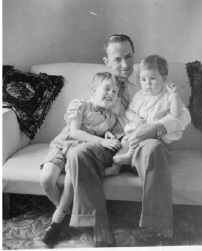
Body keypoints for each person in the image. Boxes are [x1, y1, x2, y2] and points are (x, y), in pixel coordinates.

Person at [43, 34, 191, 247]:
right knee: (78, 153)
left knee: (153, 149)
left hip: (141, 144)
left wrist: (155, 127)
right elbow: (87, 114)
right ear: (107, 62)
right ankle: (97, 227)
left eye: (128, 57)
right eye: (117, 59)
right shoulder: (104, 85)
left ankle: (158, 226)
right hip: (109, 144)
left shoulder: (143, 84)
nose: (124, 64)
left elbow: (182, 116)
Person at [40, 72, 122, 247]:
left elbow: (110, 136)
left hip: (77, 153)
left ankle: (57, 221)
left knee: (71, 181)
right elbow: (75, 132)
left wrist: (108, 134)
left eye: (115, 91)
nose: (111, 93)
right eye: (107, 88)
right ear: (93, 90)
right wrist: (101, 139)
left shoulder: (111, 118)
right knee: (46, 179)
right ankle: (68, 215)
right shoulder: (80, 105)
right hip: (62, 144)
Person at [105, 54, 186, 176]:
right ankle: (116, 167)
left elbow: (177, 114)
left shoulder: (167, 96)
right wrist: (134, 117)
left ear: (164, 78)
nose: (147, 83)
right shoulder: (139, 95)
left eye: (152, 79)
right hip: (135, 131)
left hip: (155, 136)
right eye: (143, 80)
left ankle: (130, 156)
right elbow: (128, 111)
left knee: (140, 139)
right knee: (125, 141)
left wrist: (174, 95)